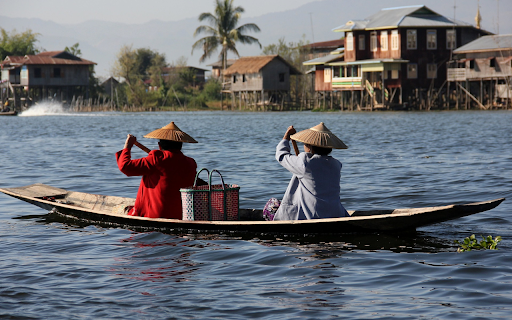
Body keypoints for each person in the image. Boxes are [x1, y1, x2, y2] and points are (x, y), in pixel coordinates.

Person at [116, 121, 198, 219]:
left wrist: (128, 146)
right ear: (180, 146)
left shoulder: (156, 159)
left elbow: (125, 167)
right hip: (180, 216)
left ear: (159, 145)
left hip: (154, 216)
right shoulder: (191, 163)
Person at [272, 122, 350, 221]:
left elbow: (281, 156)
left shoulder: (305, 163)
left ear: (309, 146)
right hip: (336, 213)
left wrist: (286, 138)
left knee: (271, 204)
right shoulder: (336, 165)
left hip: (311, 216)